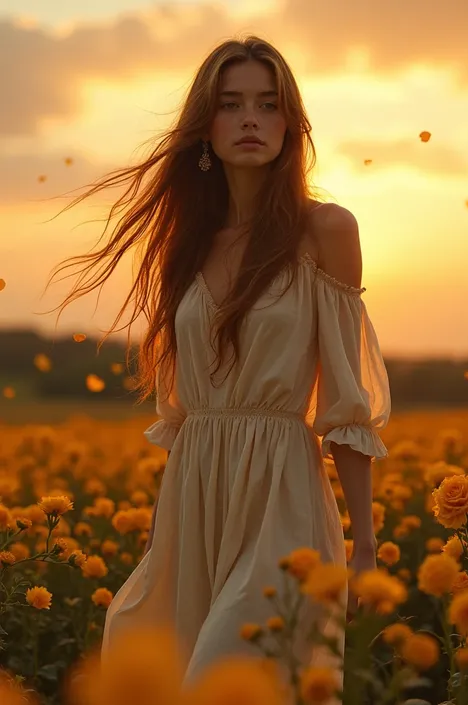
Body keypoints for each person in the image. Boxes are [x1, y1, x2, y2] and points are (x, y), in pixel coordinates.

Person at [40, 35, 391, 695]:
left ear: (291, 124)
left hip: (282, 492)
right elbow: (181, 410)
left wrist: (364, 544)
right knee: (163, 672)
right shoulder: (186, 244)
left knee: (232, 674)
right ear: (207, 126)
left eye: (268, 103)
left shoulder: (328, 231)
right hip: (195, 495)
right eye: (232, 104)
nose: (251, 119)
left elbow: (347, 402)